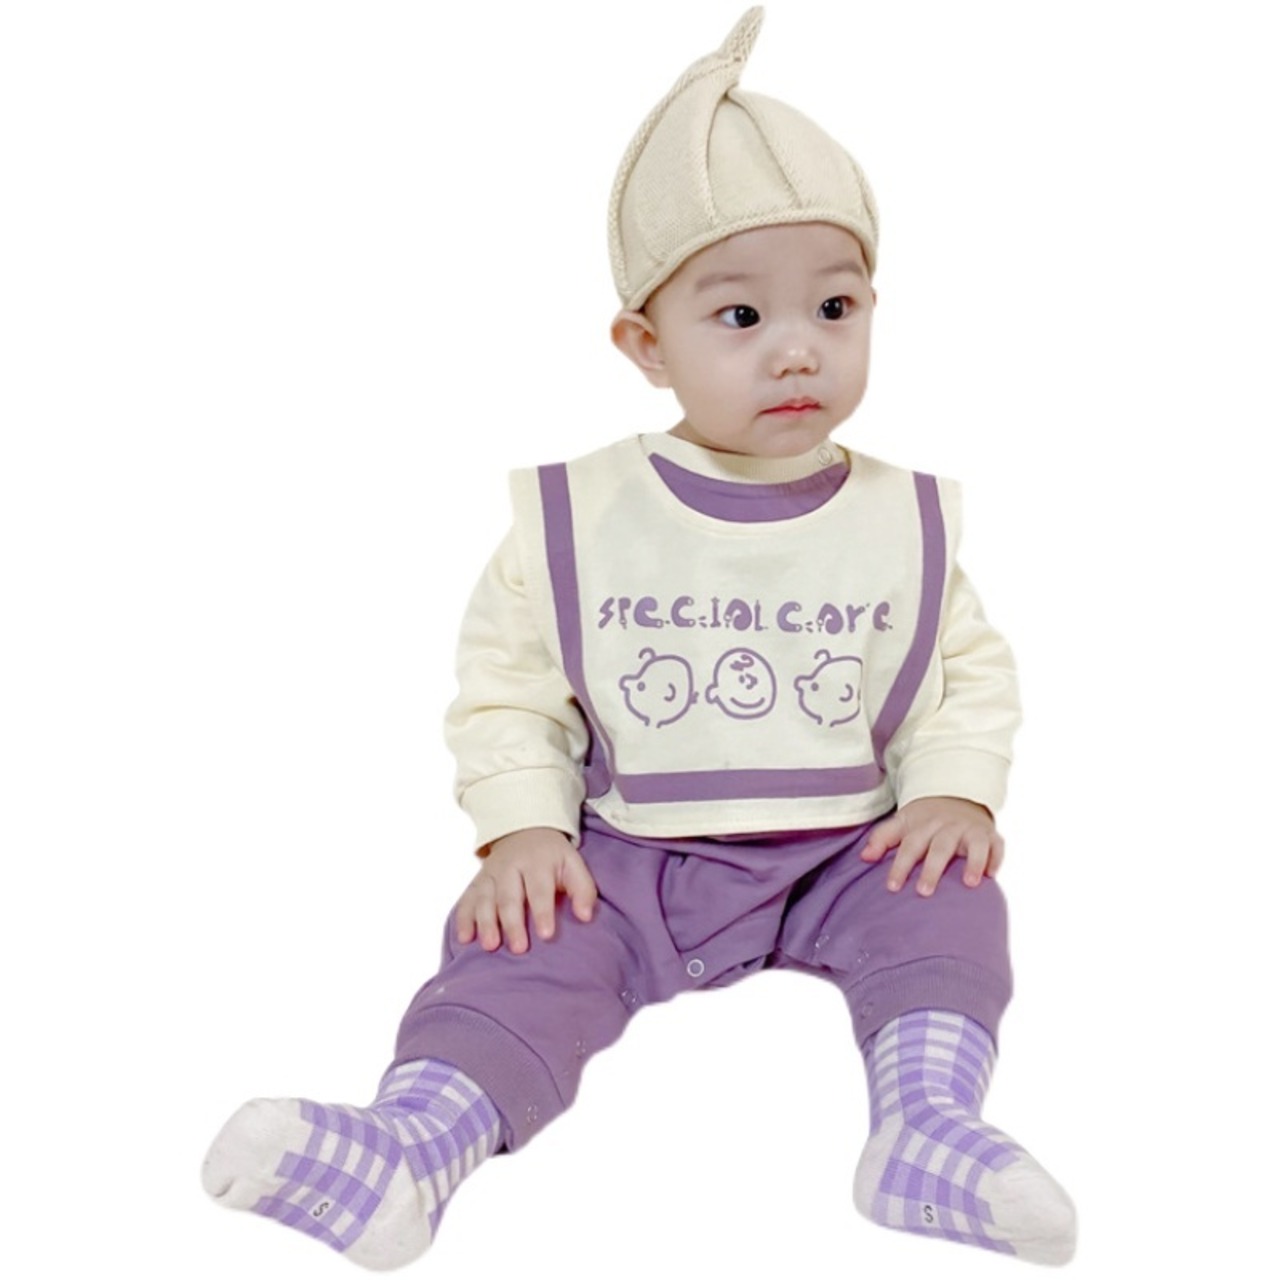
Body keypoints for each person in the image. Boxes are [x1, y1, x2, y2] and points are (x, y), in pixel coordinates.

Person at [203, 8, 1076, 1268]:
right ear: (644, 345)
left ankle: (925, 1125)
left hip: (846, 842)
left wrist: (952, 789)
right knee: (518, 941)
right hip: (626, 855)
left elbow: (960, 669)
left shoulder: (901, 518)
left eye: (834, 306)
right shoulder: (582, 517)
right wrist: (522, 826)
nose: (797, 347)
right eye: (739, 316)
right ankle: (414, 1143)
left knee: (946, 905)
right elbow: (509, 685)